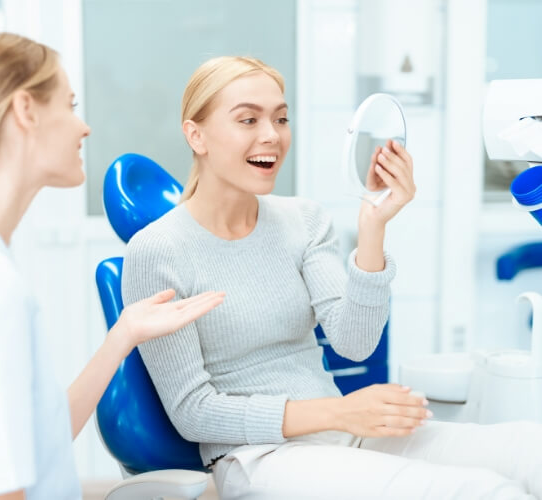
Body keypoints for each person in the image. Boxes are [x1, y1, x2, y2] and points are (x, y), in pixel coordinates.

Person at [122, 55, 542, 499]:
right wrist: (338, 413)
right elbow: (194, 413)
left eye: (281, 118)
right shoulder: (157, 251)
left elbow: (353, 342)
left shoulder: (303, 220)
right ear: (196, 134)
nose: (272, 135)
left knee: (532, 449)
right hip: (260, 457)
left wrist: (373, 228)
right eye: (248, 119)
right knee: (483, 491)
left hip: (344, 432)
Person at [0, 32, 224, 500]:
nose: (84, 128)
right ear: (25, 111)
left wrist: (124, 334)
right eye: (70, 104)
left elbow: (40, 441)